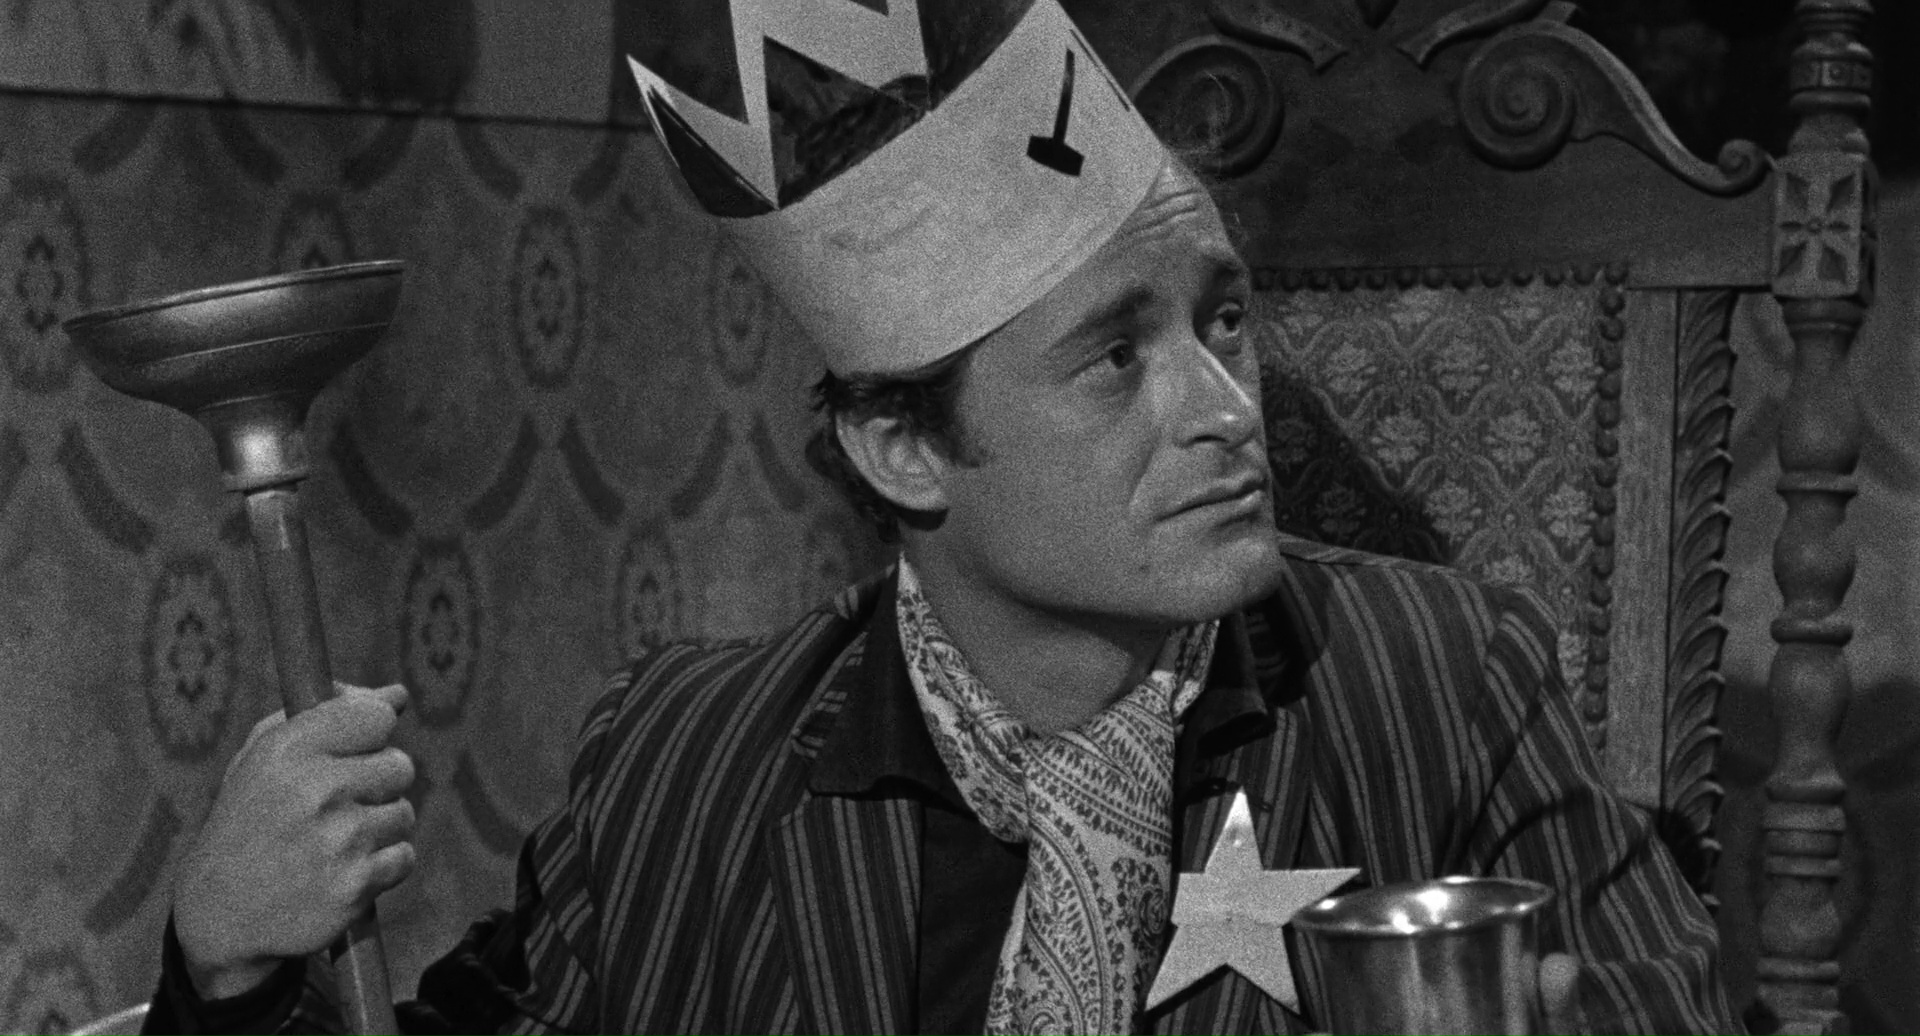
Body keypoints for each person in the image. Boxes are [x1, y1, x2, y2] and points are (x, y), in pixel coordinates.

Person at [142, 0, 1740, 1033]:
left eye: (1224, 321)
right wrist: (227, 964)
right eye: (1115, 357)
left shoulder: (1438, 682)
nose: (1222, 407)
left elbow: (1660, 1001)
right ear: (905, 450)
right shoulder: (682, 759)